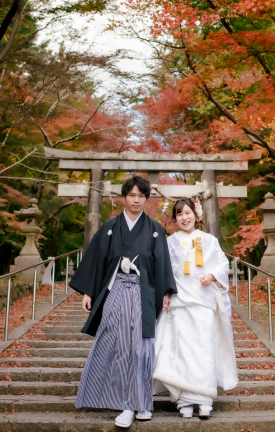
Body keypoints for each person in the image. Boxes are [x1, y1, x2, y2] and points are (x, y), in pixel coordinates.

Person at [69, 176, 178, 429]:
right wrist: (88, 292)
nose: (137, 200)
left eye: (141, 195)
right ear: (124, 197)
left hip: (143, 292)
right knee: (114, 344)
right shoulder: (110, 226)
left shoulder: (153, 228)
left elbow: (161, 262)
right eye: (132, 195)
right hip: (116, 289)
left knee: (141, 347)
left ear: (146, 199)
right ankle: (125, 401)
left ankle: (140, 402)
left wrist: (165, 293)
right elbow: (97, 259)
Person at [152, 197, 238, 419]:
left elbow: (222, 264)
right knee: (181, 351)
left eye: (187, 212)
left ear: (196, 215)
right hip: (180, 302)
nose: (184, 217)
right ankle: (185, 401)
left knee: (203, 350)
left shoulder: (209, 240)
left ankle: (204, 399)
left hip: (203, 302)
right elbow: (163, 271)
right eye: (179, 214)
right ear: (175, 218)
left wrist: (212, 275)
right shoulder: (169, 243)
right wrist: (165, 293)